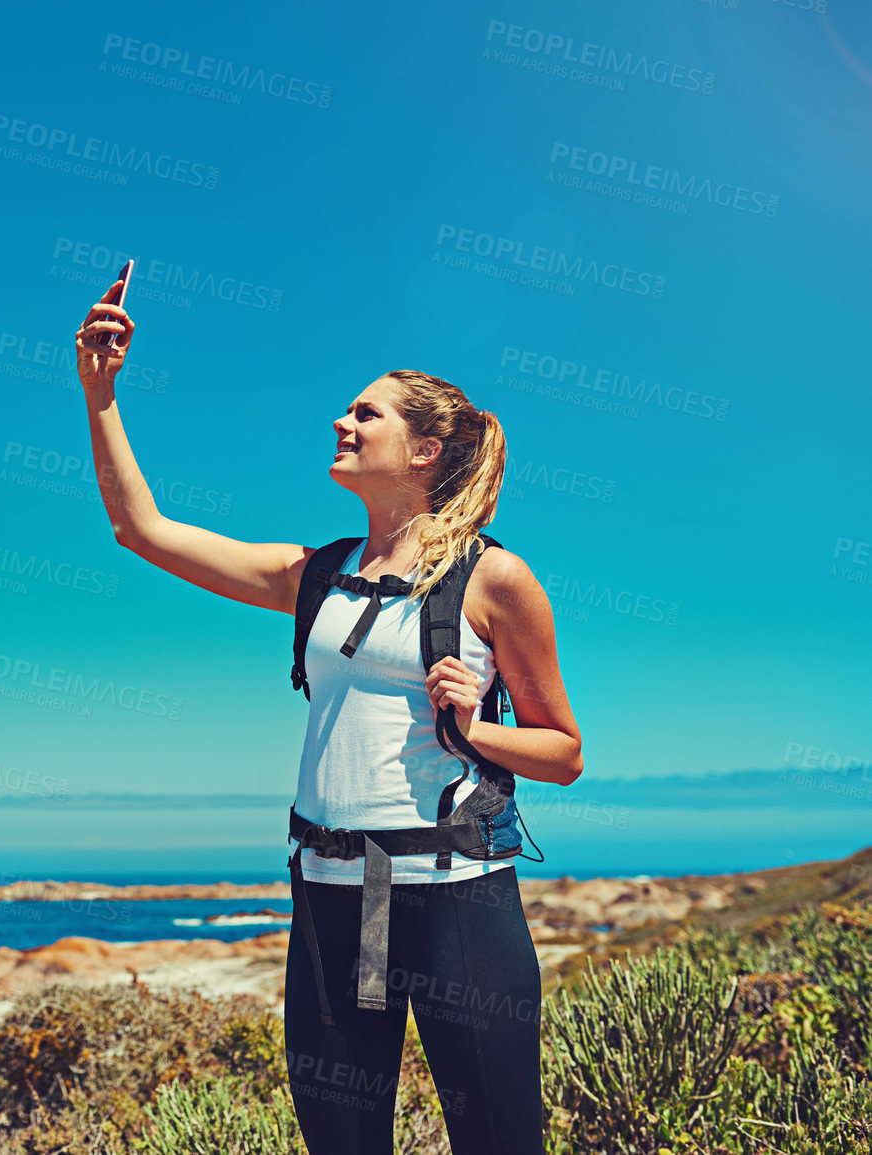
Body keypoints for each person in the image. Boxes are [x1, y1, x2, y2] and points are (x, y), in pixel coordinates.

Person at [73, 277, 583, 1155]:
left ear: (424, 449)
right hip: (340, 893)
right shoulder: (314, 572)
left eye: (365, 413)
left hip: (453, 893)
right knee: (343, 1141)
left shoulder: (494, 579)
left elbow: (563, 751)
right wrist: (100, 390)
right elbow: (140, 529)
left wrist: (475, 728)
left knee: (498, 1141)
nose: (342, 422)